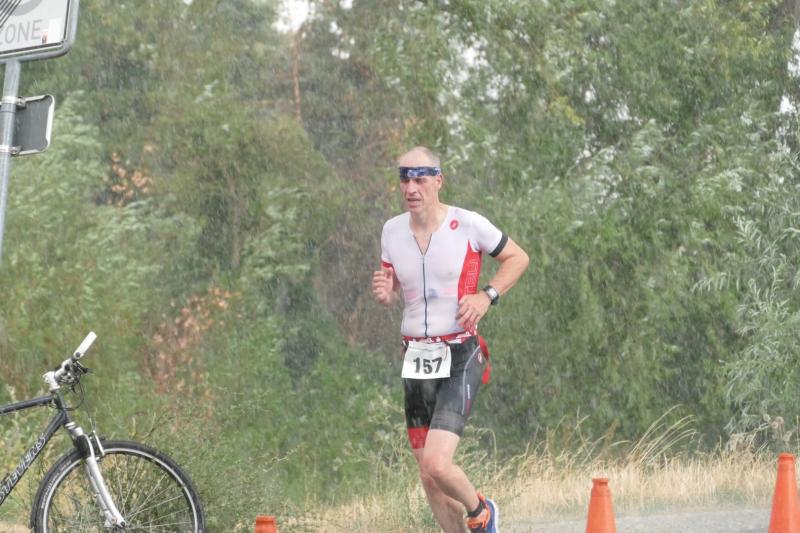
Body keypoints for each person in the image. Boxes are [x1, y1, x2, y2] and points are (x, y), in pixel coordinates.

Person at [372, 146, 529, 533]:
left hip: (460, 352)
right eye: (404, 179)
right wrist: (387, 294)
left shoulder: (468, 224)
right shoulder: (392, 231)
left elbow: (518, 258)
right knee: (428, 477)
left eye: (420, 179)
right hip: (416, 357)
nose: (411, 187)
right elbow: (397, 289)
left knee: (438, 464)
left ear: (438, 181)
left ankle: (481, 511)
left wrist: (486, 296)